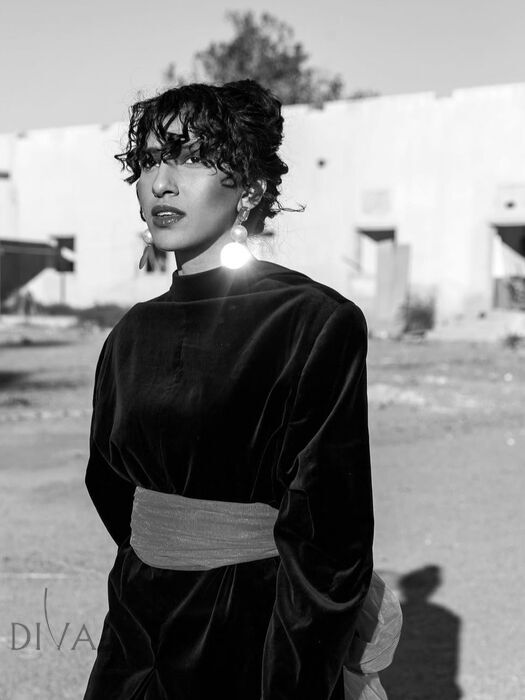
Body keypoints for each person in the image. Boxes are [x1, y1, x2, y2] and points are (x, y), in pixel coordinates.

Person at [83, 79, 378, 700]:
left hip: (253, 634)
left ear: (249, 189)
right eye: (149, 161)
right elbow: (108, 484)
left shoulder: (311, 321)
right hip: (134, 632)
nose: (162, 183)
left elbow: (330, 534)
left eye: (190, 158)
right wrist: (168, 552)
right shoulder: (129, 334)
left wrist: (293, 679)